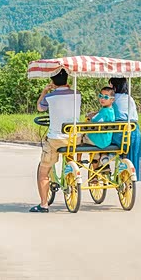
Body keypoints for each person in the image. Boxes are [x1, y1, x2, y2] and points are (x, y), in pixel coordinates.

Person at [30, 69, 81, 213]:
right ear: (67, 80)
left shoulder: (50, 97)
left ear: (52, 81)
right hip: (75, 138)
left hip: (56, 140)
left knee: (43, 171)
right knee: (70, 150)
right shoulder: (77, 94)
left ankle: (44, 204)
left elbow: (40, 108)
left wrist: (44, 92)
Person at [108, 76, 141, 182]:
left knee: (101, 140)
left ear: (114, 87)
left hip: (119, 134)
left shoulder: (112, 99)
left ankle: (104, 162)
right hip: (133, 133)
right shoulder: (129, 98)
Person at [81, 86, 116, 171]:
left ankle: (79, 160)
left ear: (112, 100)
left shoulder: (104, 111)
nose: (102, 99)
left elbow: (94, 121)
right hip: (106, 141)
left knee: (81, 138)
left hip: (96, 140)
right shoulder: (111, 111)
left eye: (106, 97)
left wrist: (90, 117)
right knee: (97, 144)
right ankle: (104, 160)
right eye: (101, 96)